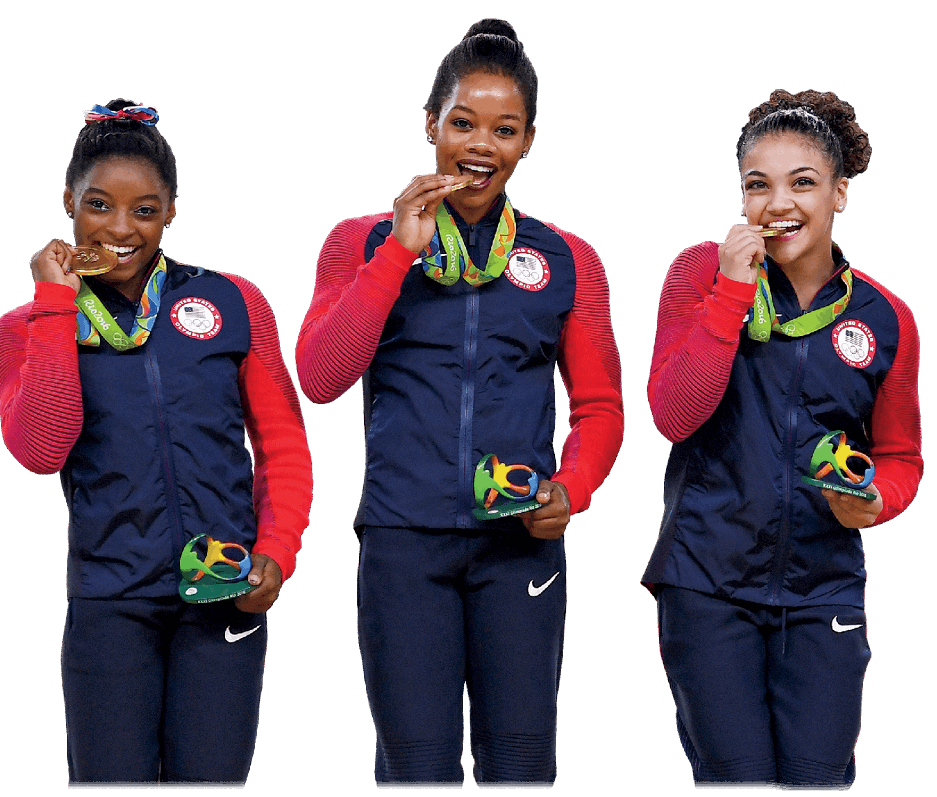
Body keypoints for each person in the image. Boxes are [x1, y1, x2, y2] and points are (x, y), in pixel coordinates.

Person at [296, 19, 623, 789]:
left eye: (504, 129)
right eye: (463, 123)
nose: (481, 146)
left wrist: (570, 491)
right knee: (416, 767)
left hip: (520, 546)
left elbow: (601, 407)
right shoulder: (359, 239)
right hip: (403, 544)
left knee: (521, 763)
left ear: (529, 141)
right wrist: (396, 254)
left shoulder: (569, 258)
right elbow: (320, 377)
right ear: (431, 124)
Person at [0, 99, 313, 788]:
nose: (121, 228)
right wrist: (55, 305)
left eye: (145, 209)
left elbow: (282, 442)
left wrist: (276, 552)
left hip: (224, 589)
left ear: (172, 210)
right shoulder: (25, 326)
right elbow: (42, 447)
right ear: (69, 200)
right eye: (100, 204)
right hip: (111, 603)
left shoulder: (233, 301)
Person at [643, 89, 922, 790]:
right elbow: (674, 414)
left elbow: (902, 457)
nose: (779, 203)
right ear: (741, 198)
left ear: (840, 194)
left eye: (802, 182)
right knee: (735, 778)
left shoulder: (887, 318)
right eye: (757, 185)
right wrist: (733, 294)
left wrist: (876, 500)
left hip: (824, 589)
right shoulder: (701, 272)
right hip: (707, 583)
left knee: (817, 779)